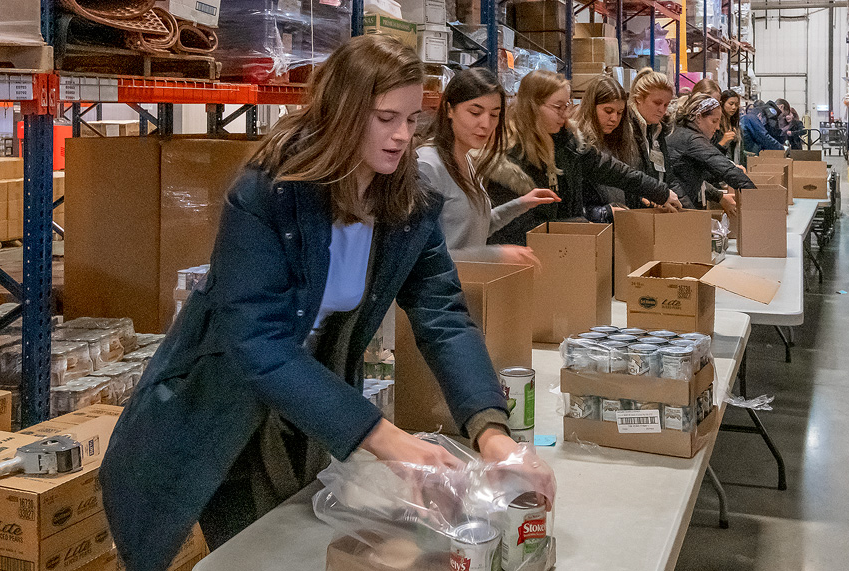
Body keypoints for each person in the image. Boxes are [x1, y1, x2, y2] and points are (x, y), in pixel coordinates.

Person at [100, 36, 547, 571]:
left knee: (303, 545)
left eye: (411, 118)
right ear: (343, 111)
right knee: (248, 551)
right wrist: (384, 438)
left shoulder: (403, 201)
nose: (403, 136)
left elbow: (442, 315)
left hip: (312, 410)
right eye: (385, 118)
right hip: (221, 410)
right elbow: (256, 340)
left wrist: (490, 429)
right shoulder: (269, 193)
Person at [486, 70, 679, 245]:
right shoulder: (509, 161)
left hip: (566, 248)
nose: (564, 114)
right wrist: (579, 223)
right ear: (533, 106)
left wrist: (659, 191)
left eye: (566, 105)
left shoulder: (569, 142)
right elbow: (514, 228)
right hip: (528, 258)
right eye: (557, 107)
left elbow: (611, 169)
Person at [416, 68, 558, 264]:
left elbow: (475, 227)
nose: (486, 124)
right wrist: (496, 255)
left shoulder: (466, 160)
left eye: (494, 115)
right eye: (475, 112)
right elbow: (422, 259)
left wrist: (521, 204)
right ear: (449, 109)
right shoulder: (428, 166)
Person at [665, 92, 753, 213]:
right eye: (714, 121)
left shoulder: (682, 132)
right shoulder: (692, 139)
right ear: (698, 117)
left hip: (680, 198)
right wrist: (755, 195)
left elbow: (699, 174)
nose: (717, 127)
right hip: (679, 201)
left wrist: (719, 196)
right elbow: (722, 167)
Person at [572, 74, 644, 209]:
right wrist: (604, 213)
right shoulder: (578, 145)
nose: (614, 119)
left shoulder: (621, 142)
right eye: (608, 111)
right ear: (591, 107)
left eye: (619, 112)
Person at [624, 68, 678, 208]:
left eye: (666, 105)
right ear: (638, 98)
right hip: (632, 211)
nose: (662, 109)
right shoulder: (625, 130)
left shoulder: (657, 130)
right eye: (657, 103)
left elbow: (667, 174)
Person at [718, 89, 744, 162]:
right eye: (731, 104)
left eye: (736, 104)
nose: (734, 107)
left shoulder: (735, 124)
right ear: (722, 103)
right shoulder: (717, 124)